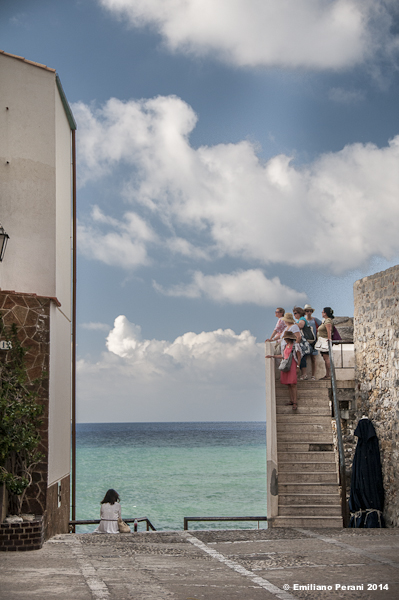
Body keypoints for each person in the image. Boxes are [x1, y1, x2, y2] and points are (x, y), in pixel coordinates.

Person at [266, 330, 301, 410]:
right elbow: (283, 356)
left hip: (292, 365)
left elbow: (299, 356)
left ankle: (295, 402)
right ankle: (292, 400)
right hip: (286, 365)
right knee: (289, 384)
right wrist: (272, 356)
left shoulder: (296, 346)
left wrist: (298, 366)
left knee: (293, 384)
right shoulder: (286, 346)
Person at [303, 304, 322, 381]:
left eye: (310, 311)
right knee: (305, 358)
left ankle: (313, 375)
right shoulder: (303, 320)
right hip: (306, 341)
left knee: (313, 358)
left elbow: (322, 326)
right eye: (307, 311)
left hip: (314, 341)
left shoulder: (315, 320)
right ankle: (305, 375)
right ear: (305, 312)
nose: (309, 312)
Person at [316, 307, 334, 379]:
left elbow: (328, 330)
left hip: (325, 342)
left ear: (325, 313)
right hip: (322, 341)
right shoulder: (326, 320)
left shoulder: (328, 321)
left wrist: (329, 340)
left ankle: (328, 374)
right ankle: (328, 374)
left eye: (322, 312)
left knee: (327, 358)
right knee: (325, 358)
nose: (322, 313)